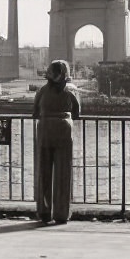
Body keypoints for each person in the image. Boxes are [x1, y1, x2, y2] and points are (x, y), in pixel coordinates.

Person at [32, 59, 81, 225]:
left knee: (43, 172)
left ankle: (44, 212)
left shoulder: (42, 90)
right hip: (63, 131)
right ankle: (61, 213)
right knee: (63, 173)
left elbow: (34, 112)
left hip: (45, 130)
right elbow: (77, 113)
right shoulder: (72, 90)